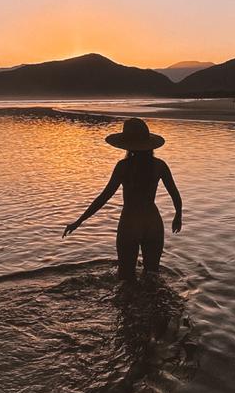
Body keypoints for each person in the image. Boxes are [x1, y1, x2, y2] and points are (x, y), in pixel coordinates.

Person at [63, 118, 183, 280]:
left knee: (125, 277)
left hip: (130, 222)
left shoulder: (124, 166)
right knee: (152, 276)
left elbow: (104, 197)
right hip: (153, 222)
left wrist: (79, 221)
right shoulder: (159, 165)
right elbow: (175, 194)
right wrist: (178, 216)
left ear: (127, 144)